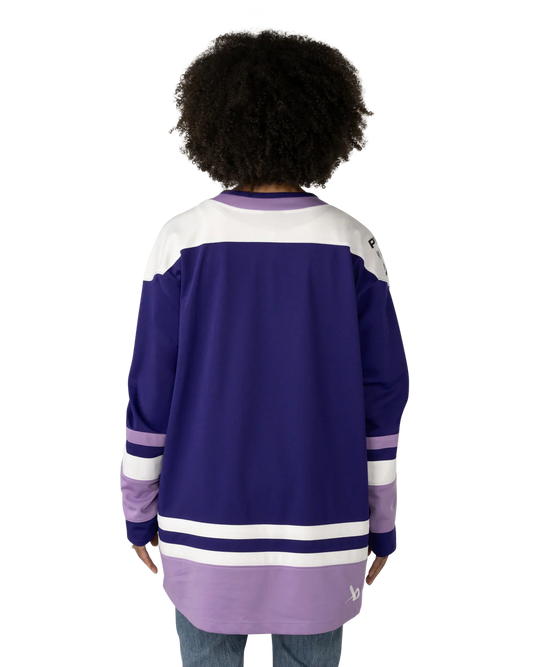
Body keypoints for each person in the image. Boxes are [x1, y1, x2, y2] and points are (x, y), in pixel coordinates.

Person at [118, 16, 411, 667]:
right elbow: (384, 400)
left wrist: (136, 510)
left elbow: (148, 393)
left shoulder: (180, 238)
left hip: (200, 523)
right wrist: (384, 520)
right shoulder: (353, 241)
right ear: (328, 122)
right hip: (325, 523)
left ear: (209, 120)